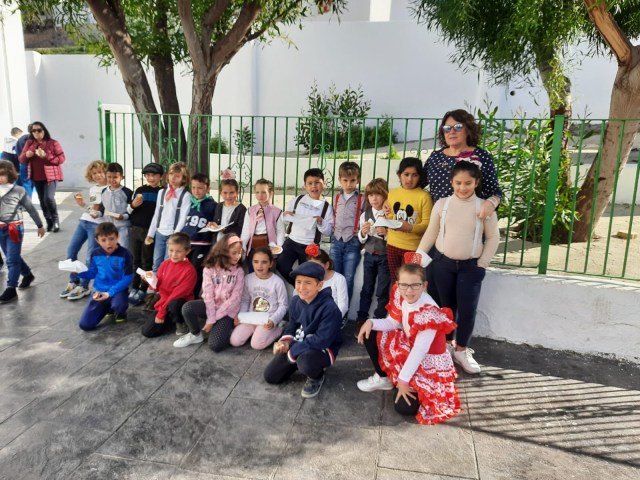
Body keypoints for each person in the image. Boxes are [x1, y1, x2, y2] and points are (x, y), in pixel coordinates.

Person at [416, 159, 500, 374]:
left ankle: (461, 349)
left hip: (470, 267)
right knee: (444, 308)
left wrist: (481, 264)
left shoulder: (484, 207)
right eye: (458, 183)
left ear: (476, 183)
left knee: (467, 309)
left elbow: (493, 238)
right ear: (452, 182)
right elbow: (431, 233)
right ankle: (444, 346)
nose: (463, 188)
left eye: (468, 183)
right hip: (442, 265)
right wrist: (418, 258)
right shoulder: (442, 204)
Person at [357, 262, 460, 425]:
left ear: (424, 285)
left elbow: (420, 350)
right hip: (410, 346)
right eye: (404, 285)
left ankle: (406, 382)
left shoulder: (428, 311)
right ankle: (384, 378)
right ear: (398, 284)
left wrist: (403, 382)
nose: (409, 291)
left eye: (415, 285)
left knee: (404, 407)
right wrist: (371, 322)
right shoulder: (402, 295)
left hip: (427, 361)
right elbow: (393, 323)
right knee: (371, 332)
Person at [263, 262, 343, 399]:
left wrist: (294, 350)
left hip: (322, 349)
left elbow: (322, 340)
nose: (301, 287)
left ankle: (317, 376)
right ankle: (298, 360)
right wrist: (286, 342)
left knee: (305, 362)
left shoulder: (330, 309)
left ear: (319, 285)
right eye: (298, 282)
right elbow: (292, 325)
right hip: (300, 344)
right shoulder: (295, 301)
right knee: (271, 376)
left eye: (308, 283)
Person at [422, 109, 502, 216]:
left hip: (470, 218)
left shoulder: (481, 156)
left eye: (458, 127)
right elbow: (418, 183)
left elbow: (494, 191)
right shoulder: (436, 156)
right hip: (439, 219)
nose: (452, 131)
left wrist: (491, 203)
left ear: (468, 129)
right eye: (447, 128)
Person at [174, 235, 244, 351]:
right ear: (224, 251)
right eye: (234, 253)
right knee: (187, 307)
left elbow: (235, 298)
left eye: (240, 253)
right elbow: (208, 295)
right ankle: (195, 335)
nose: (238, 256)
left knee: (215, 345)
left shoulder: (239, 271)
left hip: (227, 312)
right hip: (210, 307)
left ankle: (226, 327)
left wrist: (213, 319)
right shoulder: (209, 268)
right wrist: (211, 318)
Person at [60, 160, 108, 301]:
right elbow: (92, 208)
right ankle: (73, 280)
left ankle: (84, 285)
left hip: (97, 225)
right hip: (84, 222)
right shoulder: (93, 189)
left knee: (90, 257)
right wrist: (84, 205)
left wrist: (84, 205)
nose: (97, 175)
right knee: (71, 251)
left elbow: (97, 211)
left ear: (106, 173)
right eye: (94, 173)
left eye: (100, 172)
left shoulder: (108, 190)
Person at [276, 168, 333, 285]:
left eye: (317, 182)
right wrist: (285, 215)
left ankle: (303, 288)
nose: (314, 186)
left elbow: (329, 231)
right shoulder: (298, 200)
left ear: (324, 184)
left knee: (307, 274)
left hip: (310, 246)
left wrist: (321, 222)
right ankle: (298, 286)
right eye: (310, 183)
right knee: (281, 265)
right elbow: (283, 219)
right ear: (305, 186)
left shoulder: (326, 207)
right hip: (291, 242)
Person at [0, 160, 46, 303]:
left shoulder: (19, 190)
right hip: (0, 229)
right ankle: (27, 274)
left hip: (14, 228)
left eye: (2, 174)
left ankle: (11, 288)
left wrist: (39, 225)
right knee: (11, 256)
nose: (0, 178)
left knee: (11, 260)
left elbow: (30, 208)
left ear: (9, 174)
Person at [76, 222, 133, 330]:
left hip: (117, 290)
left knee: (119, 305)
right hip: (99, 291)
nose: (108, 243)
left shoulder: (125, 254)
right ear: (97, 240)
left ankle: (119, 311)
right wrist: (79, 273)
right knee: (85, 325)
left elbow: (128, 278)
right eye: (103, 240)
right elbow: (92, 273)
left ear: (117, 237)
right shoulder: (95, 253)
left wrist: (110, 293)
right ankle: (108, 307)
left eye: (111, 239)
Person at [230, 247, 288, 350]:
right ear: (252, 262)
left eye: (264, 262)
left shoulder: (277, 282)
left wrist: (274, 320)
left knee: (256, 345)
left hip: (268, 319)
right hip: (251, 317)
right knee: (235, 341)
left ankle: (279, 329)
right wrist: (241, 316)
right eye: (256, 262)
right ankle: (255, 331)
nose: (259, 266)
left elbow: (283, 305)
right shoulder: (248, 279)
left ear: (270, 264)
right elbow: (245, 300)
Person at [140, 232, 197, 338]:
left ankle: (181, 322)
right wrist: (149, 279)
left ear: (187, 251)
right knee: (147, 331)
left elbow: (177, 295)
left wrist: (161, 312)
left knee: (175, 304)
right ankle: (171, 320)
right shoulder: (164, 264)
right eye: (171, 250)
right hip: (164, 301)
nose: (174, 254)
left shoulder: (189, 270)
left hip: (178, 302)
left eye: (178, 251)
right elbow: (157, 286)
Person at [386, 157, 432, 283]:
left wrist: (410, 227)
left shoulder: (424, 197)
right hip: (392, 245)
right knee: (395, 281)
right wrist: (384, 219)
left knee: (410, 282)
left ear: (420, 176)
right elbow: (390, 216)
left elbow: (427, 225)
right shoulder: (393, 193)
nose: (409, 179)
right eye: (406, 174)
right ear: (399, 175)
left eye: (414, 175)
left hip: (413, 248)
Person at [356, 178, 391, 335]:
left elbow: (396, 236)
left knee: (382, 290)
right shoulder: (365, 214)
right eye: (371, 195)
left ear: (384, 195)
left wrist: (386, 234)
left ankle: (379, 322)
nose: (374, 198)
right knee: (366, 288)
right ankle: (361, 320)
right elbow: (361, 239)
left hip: (385, 256)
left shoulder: (389, 214)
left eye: (378, 194)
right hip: (369, 256)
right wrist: (363, 233)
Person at [18, 121, 65, 232]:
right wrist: (27, 155)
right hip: (36, 176)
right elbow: (22, 159)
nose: (36, 133)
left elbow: (61, 159)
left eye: (39, 130)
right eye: (33, 131)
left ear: (44, 130)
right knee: (42, 200)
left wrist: (46, 156)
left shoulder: (53, 143)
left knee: (49, 198)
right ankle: (49, 221)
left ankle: (55, 221)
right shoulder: (29, 143)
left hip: (51, 176)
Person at [128, 162, 164, 306]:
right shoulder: (140, 190)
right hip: (136, 229)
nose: (151, 178)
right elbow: (130, 210)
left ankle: (144, 288)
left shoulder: (162, 192)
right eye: (148, 175)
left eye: (154, 175)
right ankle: (134, 286)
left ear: (161, 177)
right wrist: (133, 205)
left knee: (147, 260)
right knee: (135, 259)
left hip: (150, 231)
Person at [146, 161, 191, 272]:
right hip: (160, 232)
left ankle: (166, 283)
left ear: (184, 179)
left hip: (172, 233)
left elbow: (183, 217)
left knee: (169, 263)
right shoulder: (162, 192)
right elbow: (157, 214)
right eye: (171, 174)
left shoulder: (185, 195)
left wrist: (175, 235)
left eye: (177, 176)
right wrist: (150, 234)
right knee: (156, 263)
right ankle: (156, 283)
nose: (173, 178)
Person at [330, 161, 363, 304]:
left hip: (353, 241)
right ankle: (333, 308)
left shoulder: (362, 199)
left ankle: (344, 310)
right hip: (336, 241)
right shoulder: (336, 197)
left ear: (358, 180)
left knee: (348, 278)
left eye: (352, 180)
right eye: (345, 180)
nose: (349, 184)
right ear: (339, 180)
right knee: (334, 276)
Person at [181, 173, 216, 298]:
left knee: (196, 271)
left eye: (200, 188)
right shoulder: (187, 202)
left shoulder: (212, 205)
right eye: (194, 187)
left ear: (208, 188)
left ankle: (193, 297)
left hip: (202, 244)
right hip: (185, 243)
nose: (196, 191)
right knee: (183, 270)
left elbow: (216, 223)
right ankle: (182, 296)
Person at [240, 178, 285, 266]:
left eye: (264, 192)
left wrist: (278, 247)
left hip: (270, 247)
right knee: (253, 268)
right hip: (254, 247)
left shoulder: (277, 211)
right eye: (257, 192)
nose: (260, 195)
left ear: (271, 193)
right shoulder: (250, 211)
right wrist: (243, 246)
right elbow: (246, 231)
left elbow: (280, 231)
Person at [303, 243, 349, 318]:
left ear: (327, 265)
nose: (313, 269)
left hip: (331, 317)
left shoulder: (339, 279)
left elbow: (343, 306)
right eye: (311, 266)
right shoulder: (308, 278)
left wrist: (331, 320)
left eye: (317, 266)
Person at [98, 162, 133, 249]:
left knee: (123, 249)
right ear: (106, 176)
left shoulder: (127, 192)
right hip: (108, 228)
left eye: (115, 177)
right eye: (109, 177)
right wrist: (97, 213)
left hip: (123, 227)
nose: (112, 180)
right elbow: (103, 208)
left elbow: (132, 209)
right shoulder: (104, 192)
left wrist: (123, 216)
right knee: (109, 249)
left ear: (122, 177)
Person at [210, 169, 246, 243]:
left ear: (237, 192)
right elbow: (216, 222)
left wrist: (224, 230)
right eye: (225, 193)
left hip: (232, 244)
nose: (228, 196)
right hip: (217, 243)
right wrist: (212, 225)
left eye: (231, 193)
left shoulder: (241, 209)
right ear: (220, 193)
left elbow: (241, 229)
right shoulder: (219, 206)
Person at [13, 126, 33, 197]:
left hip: (24, 164)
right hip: (35, 165)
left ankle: (28, 201)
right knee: (37, 183)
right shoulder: (40, 140)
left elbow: (17, 152)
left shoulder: (21, 139)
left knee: (26, 183)